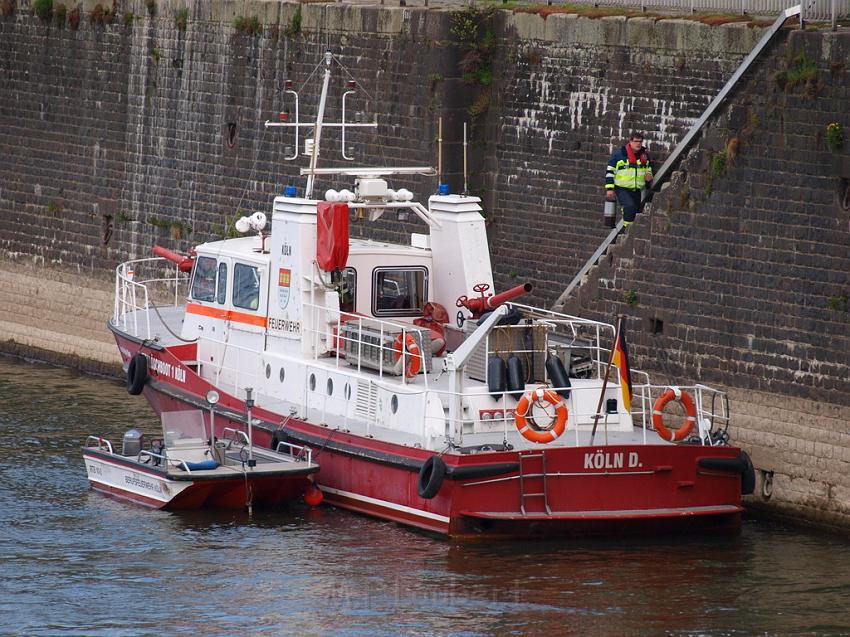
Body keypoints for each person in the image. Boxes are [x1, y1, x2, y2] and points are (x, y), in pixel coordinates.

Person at [605, 132, 653, 227]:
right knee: (629, 207)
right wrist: (610, 189)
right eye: (636, 141)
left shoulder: (644, 156)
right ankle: (627, 229)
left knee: (635, 212)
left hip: (637, 189)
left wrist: (649, 174)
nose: (638, 144)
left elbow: (648, 168)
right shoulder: (619, 155)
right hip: (622, 188)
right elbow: (610, 171)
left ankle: (628, 230)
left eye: (640, 141)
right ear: (630, 141)